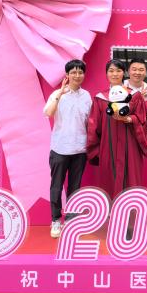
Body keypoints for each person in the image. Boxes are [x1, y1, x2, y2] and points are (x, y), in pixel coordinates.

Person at [88, 59, 147, 198]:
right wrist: (96, 150)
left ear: (124, 73)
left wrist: (129, 119)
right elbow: (94, 126)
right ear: (106, 74)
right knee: (109, 181)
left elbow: (143, 121)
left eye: (118, 71)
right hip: (108, 147)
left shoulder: (134, 96)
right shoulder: (100, 98)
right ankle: (111, 209)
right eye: (111, 71)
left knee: (131, 180)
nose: (115, 74)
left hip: (130, 146)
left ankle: (131, 209)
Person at [43, 59, 92, 239]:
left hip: (80, 149)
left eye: (80, 72)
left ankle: (71, 220)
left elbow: (89, 122)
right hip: (60, 148)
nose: (77, 75)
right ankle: (56, 220)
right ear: (67, 75)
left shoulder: (86, 96)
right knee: (56, 186)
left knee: (75, 187)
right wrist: (60, 93)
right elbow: (48, 113)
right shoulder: (58, 94)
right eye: (73, 72)